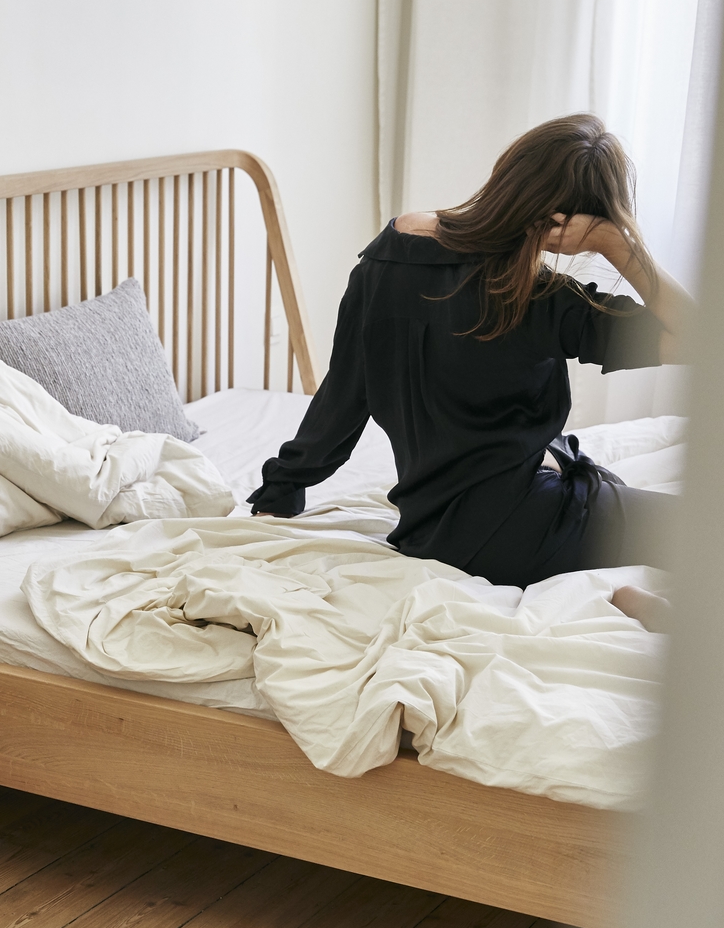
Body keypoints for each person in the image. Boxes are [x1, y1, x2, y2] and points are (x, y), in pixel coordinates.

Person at [249, 114, 692, 597]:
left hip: (430, 530)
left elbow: (344, 394)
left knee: (612, 491)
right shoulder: (540, 297)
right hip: (522, 534)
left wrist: (283, 488)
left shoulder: (389, 253)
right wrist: (616, 243)